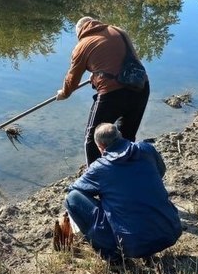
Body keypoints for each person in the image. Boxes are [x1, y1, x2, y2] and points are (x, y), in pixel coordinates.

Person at [64, 122, 182, 261]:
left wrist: (103, 195)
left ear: (100, 147)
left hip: (134, 246)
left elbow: (75, 189)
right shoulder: (147, 149)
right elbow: (160, 171)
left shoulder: (100, 167)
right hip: (170, 231)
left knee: (72, 198)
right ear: (120, 135)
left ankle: (113, 257)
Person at [56, 16, 150, 166]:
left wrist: (64, 93)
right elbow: (121, 61)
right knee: (127, 135)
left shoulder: (82, 45)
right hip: (141, 86)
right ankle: (125, 167)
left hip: (113, 94)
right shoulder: (118, 31)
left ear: (80, 31)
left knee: (93, 137)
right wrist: (97, 74)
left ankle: (95, 176)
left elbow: (72, 79)